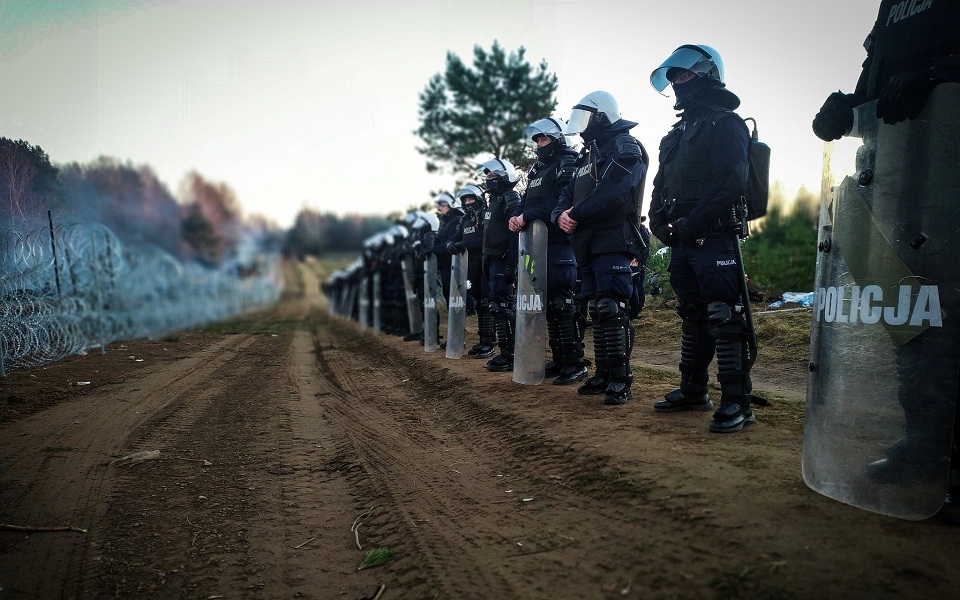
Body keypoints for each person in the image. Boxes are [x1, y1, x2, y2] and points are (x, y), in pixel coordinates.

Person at [810, 1, 960, 524]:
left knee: (950, 309)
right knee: (910, 316)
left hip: (951, 165)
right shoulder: (891, 5)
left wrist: (941, 74)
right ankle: (924, 445)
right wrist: (849, 107)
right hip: (894, 170)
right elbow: (883, 82)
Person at [647, 44, 756, 433]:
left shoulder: (727, 123)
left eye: (684, 75)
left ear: (707, 75)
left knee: (723, 316)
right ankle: (693, 390)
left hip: (713, 237)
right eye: (673, 77)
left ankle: (737, 402)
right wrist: (658, 223)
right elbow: (659, 187)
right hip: (679, 240)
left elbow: (732, 181)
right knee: (692, 315)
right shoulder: (674, 135)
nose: (677, 82)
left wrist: (693, 223)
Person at [552, 91, 648, 405]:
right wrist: (559, 215)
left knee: (612, 307)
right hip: (588, 243)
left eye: (585, 119)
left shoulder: (625, 146)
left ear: (602, 115)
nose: (581, 128)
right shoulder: (588, 154)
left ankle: (621, 379)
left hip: (615, 238)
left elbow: (614, 193)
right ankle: (604, 373)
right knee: (595, 309)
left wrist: (574, 215)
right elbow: (566, 193)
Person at [812, 0, 960, 140]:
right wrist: (839, 108)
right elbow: (869, 96)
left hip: (947, 141)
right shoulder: (887, 8)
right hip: (889, 155)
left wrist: (930, 76)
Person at [510, 117, 586, 385]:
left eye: (544, 139)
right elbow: (529, 202)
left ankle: (575, 362)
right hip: (535, 247)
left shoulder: (568, 162)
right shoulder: (536, 171)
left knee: (561, 303)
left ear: (558, 139)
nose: (540, 145)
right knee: (548, 307)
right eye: (537, 140)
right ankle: (560, 358)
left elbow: (559, 202)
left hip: (560, 244)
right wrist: (519, 216)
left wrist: (527, 215)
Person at [479, 157, 522, 372]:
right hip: (491, 259)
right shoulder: (493, 201)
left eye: (493, 176)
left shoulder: (511, 198)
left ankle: (512, 355)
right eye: (487, 177)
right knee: (495, 306)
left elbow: (516, 232)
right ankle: (505, 353)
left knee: (504, 307)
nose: (489, 180)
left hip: (503, 259)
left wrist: (511, 264)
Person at [449, 184, 493, 357]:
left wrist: (462, 244)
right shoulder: (464, 219)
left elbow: (484, 239)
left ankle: (489, 343)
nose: (468, 202)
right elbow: (455, 238)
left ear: (479, 199)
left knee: (487, 303)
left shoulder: (485, 214)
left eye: (471, 199)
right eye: (465, 200)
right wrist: (451, 245)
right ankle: (482, 341)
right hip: (470, 266)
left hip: (486, 263)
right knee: (478, 304)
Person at [429, 192, 464, 306]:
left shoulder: (457, 220)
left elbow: (449, 243)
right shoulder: (445, 221)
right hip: (445, 263)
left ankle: (466, 313)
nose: (440, 208)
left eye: (443, 205)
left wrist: (432, 250)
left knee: (454, 291)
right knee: (447, 291)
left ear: (451, 205)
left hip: (453, 262)